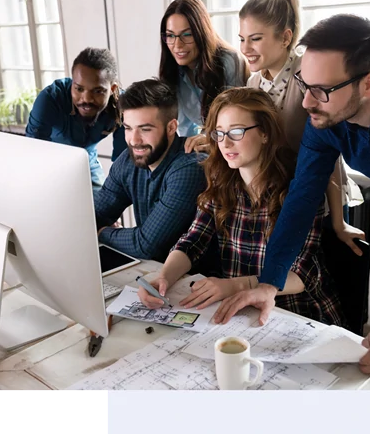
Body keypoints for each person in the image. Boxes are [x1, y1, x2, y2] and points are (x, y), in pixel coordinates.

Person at [214, 14, 370, 389]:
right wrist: (269, 282)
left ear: (369, 83)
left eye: (322, 89)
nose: (308, 101)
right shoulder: (323, 115)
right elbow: (302, 197)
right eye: (305, 84)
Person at [138, 87, 345, 327]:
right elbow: (192, 241)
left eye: (236, 132)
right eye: (219, 133)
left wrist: (235, 285)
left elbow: (303, 274)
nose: (225, 143)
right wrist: (163, 277)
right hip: (241, 310)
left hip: (298, 313)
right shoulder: (221, 183)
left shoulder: (299, 190)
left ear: (266, 133)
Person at [239, 0, 365, 255]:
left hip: (319, 193)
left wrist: (339, 223)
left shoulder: (308, 75)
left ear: (285, 37)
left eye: (255, 39)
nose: (245, 49)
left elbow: (327, 155)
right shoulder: (253, 82)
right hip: (280, 199)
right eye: (242, 39)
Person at [94, 78, 207, 263]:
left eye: (145, 129)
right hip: (152, 273)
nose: (134, 140)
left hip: (196, 281)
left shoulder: (190, 167)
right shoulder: (129, 159)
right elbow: (95, 216)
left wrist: (101, 233)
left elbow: (146, 246)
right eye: (128, 128)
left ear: (171, 127)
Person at [159, 0, 249, 151]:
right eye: (170, 35)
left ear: (201, 33)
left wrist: (208, 138)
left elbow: (238, 122)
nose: (177, 45)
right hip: (208, 149)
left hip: (236, 147)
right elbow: (185, 130)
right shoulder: (173, 70)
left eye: (186, 35)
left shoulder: (229, 62)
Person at [26, 47, 120, 191]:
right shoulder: (50, 99)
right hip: (50, 165)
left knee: (103, 209)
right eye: (79, 89)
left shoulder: (123, 106)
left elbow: (124, 163)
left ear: (112, 89)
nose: (86, 99)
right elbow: (35, 151)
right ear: (72, 84)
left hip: (87, 161)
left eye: (98, 91)